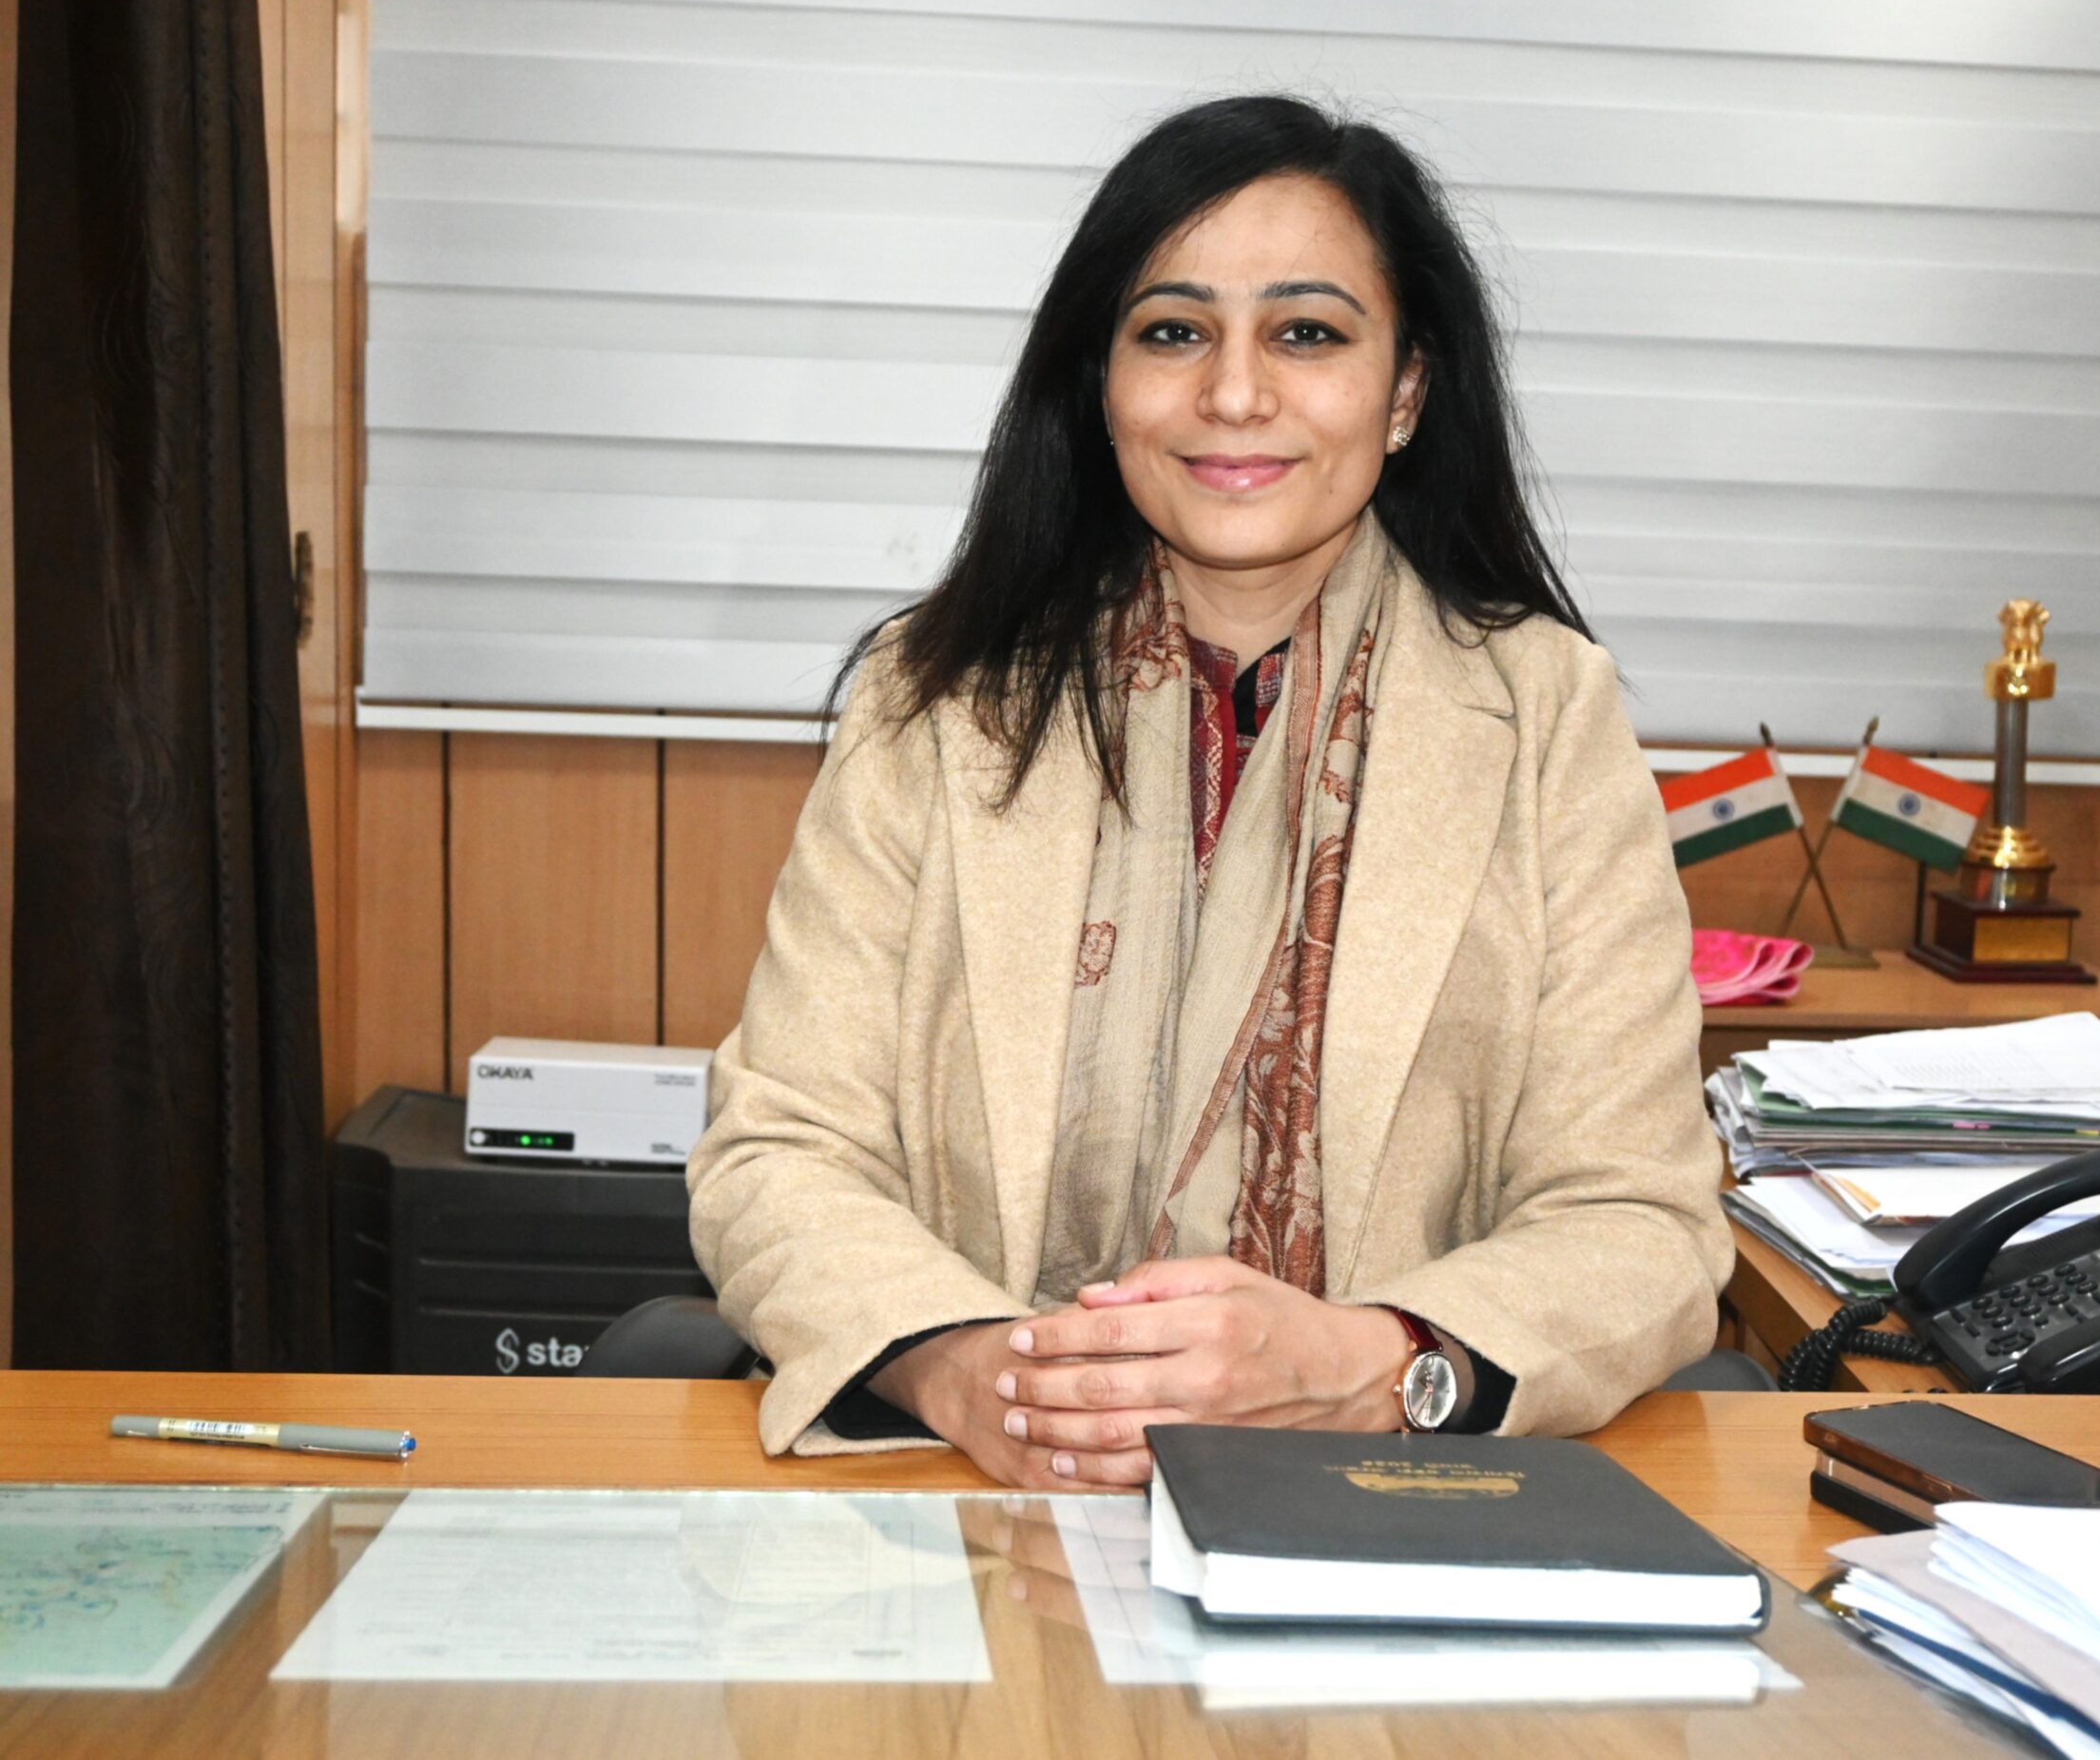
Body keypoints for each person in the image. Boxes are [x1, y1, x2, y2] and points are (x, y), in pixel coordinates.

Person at [687, 93, 1732, 1487]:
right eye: (1174, 332)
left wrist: (1376, 1369)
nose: (1234, 395)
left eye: (1308, 334)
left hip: (1389, 1518)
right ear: (1100, 385)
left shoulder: (1544, 715)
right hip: (976, 1490)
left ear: (1405, 393)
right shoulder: (933, 698)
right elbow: (778, 1149)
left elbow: (1642, 1222)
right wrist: (965, 1372)